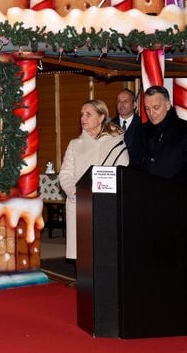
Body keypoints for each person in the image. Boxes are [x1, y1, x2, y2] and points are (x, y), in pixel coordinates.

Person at [59, 99, 129, 263]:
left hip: (106, 205)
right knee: (83, 254)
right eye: (81, 114)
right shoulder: (74, 145)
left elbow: (123, 173)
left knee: (106, 254)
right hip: (80, 204)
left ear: (101, 117)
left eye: (88, 114)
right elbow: (65, 174)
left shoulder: (116, 143)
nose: (83, 118)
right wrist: (74, 191)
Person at [129, 85, 187, 187]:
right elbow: (135, 165)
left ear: (167, 105)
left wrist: (165, 189)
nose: (151, 113)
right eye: (147, 109)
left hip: (174, 195)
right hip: (144, 193)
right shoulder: (141, 130)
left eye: (156, 107)